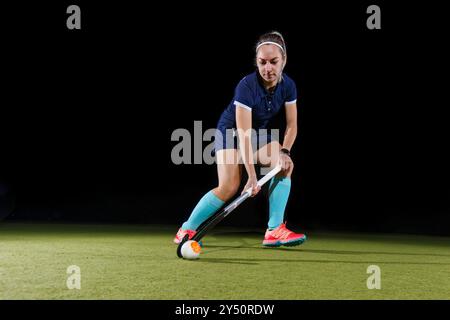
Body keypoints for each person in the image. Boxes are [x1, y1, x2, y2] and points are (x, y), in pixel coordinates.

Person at [174, 31, 306, 247]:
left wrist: (285, 152)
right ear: (256, 61)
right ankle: (186, 228)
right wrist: (252, 176)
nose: (268, 68)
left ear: (284, 60)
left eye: (274, 62)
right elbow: (243, 133)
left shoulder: (289, 86)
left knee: (284, 165)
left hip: (257, 136)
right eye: (262, 62)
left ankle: (274, 230)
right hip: (230, 134)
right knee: (229, 186)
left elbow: (292, 125)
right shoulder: (246, 86)